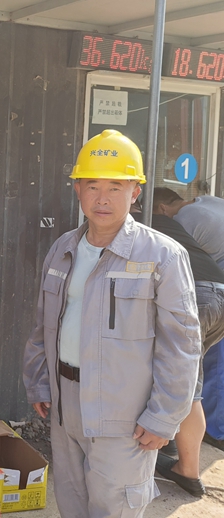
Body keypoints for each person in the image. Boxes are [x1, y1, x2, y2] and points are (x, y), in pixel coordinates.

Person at [22, 129, 201, 518]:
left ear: (135, 192)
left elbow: (182, 345)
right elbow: (43, 324)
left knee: (113, 508)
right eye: (93, 186)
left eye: (116, 187)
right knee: (72, 502)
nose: (102, 198)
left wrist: (164, 416)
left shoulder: (162, 256)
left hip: (125, 415)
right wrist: (38, 380)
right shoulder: (63, 248)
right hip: (66, 405)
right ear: (78, 190)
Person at [130, 188, 224, 496]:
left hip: (197, 295)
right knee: (187, 380)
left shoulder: (134, 228)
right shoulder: (169, 223)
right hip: (219, 293)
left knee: (183, 384)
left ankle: (185, 468)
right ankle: (176, 452)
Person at [150, 188, 224, 455]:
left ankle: (179, 446)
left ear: (160, 208)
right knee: (196, 372)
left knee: (185, 378)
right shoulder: (208, 201)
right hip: (219, 289)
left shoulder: (182, 219)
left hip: (203, 294)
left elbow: (176, 264)